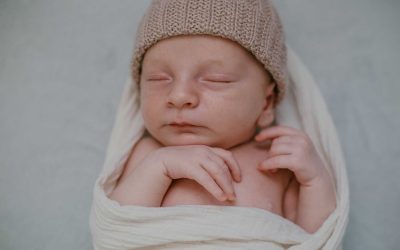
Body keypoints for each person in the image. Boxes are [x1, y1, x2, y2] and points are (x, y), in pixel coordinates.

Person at [109, 0, 336, 234]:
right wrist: (160, 166)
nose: (179, 96)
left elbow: (313, 239)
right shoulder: (147, 154)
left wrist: (315, 183)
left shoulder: (276, 164)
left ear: (266, 103)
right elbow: (116, 231)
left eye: (216, 79)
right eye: (159, 78)